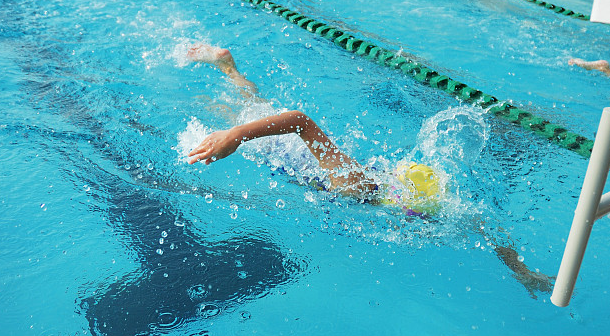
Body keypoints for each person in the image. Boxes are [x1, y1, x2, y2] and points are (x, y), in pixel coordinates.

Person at [185, 44, 554, 296]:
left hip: (282, 146)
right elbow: (299, 121)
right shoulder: (356, 187)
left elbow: (479, 223)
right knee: (241, 108)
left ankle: (228, 71)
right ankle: (227, 67)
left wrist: (520, 270)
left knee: (246, 102)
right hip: (272, 141)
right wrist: (234, 137)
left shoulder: (383, 187)